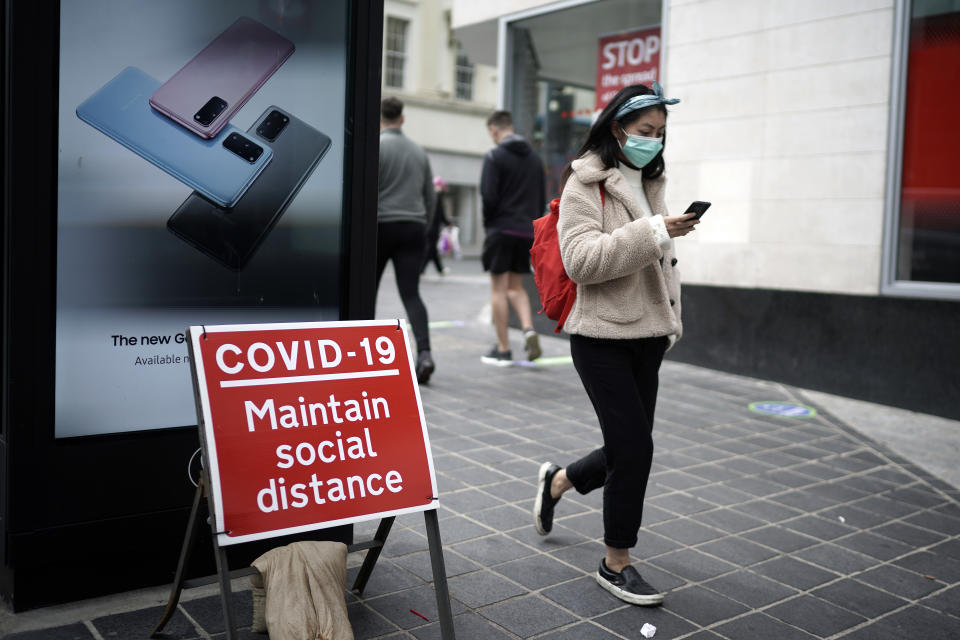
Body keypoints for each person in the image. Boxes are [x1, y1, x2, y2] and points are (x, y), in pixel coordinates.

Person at [532, 83, 700, 606]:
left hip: (648, 333)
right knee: (635, 449)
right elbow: (583, 262)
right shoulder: (586, 183)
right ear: (616, 128)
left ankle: (558, 482)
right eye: (645, 132)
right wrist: (655, 232)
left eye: (661, 133)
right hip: (600, 334)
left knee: (627, 446)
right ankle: (615, 562)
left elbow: (657, 259)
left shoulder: (651, 181)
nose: (653, 142)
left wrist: (671, 311)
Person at [376, 97, 436, 384]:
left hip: (380, 226)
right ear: (402, 118)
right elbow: (430, 197)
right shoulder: (418, 152)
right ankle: (424, 353)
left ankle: (363, 355)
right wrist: (423, 224)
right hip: (413, 226)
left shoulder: (377, 146)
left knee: (366, 292)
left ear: (381, 119)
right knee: (411, 293)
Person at [479, 110, 545, 365]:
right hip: (525, 231)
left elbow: (488, 196)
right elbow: (540, 197)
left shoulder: (494, 156)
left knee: (498, 289)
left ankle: (503, 348)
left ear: (494, 130)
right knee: (515, 287)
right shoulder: (535, 159)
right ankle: (528, 328)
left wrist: (490, 225)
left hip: (501, 229)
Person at [422, 176, 454, 275]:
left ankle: (437, 269)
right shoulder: (437, 197)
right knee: (430, 248)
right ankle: (422, 269)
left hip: (428, 226)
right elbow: (440, 213)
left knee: (431, 248)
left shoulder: (429, 196)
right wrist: (448, 223)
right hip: (433, 227)